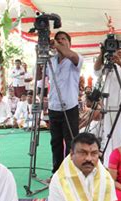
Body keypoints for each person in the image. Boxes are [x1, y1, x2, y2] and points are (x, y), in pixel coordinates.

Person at [94, 42, 121, 166]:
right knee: (109, 135)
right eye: (116, 48)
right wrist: (102, 52)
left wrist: (120, 64)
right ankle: (109, 164)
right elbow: (97, 71)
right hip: (109, 106)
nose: (119, 51)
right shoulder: (108, 62)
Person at [45, 31, 83, 173]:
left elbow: (71, 55)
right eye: (57, 39)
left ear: (69, 43)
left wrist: (57, 45)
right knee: (55, 143)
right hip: (53, 106)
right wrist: (40, 57)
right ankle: (57, 173)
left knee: (71, 142)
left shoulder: (76, 58)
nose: (60, 41)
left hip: (70, 107)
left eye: (63, 39)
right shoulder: (51, 60)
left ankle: (70, 172)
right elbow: (39, 77)